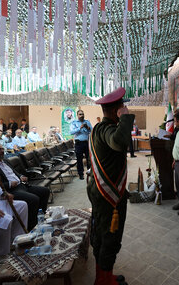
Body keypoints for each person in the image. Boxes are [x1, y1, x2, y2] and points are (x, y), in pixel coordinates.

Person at [87, 87, 134, 285]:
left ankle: (103, 275)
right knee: (110, 237)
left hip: (101, 192)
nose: (125, 108)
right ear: (117, 110)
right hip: (107, 196)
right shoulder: (106, 129)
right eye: (122, 106)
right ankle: (104, 281)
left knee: (102, 234)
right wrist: (125, 118)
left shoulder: (100, 127)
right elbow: (120, 142)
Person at [0, 143, 50, 231]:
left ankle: (40, 217)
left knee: (44, 191)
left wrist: (21, 176)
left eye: (2, 149)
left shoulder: (6, 161)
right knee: (33, 199)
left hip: (22, 185)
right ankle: (31, 226)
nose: (2, 151)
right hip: (11, 190)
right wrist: (10, 184)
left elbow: (14, 173)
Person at [70, 110, 92, 179]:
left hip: (86, 142)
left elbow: (91, 130)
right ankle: (81, 174)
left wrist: (87, 127)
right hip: (78, 143)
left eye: (82, 114)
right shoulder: (74, 123)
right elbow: (71, 132)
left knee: (89, 158)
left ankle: (89, 172)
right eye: (80, 114)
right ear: (77, 115)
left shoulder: (87, 122)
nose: (81, 115)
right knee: (79, 159)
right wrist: (80, 128)